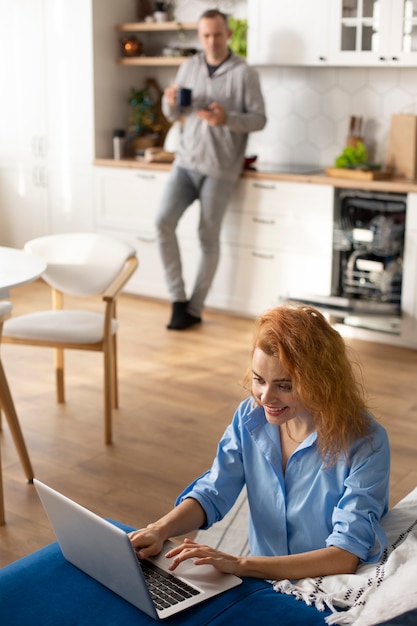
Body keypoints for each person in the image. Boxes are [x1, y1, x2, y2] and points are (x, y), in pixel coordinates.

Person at [129, 304, 390, 582]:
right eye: (258, 380)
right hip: (260, 577)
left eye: (284, 385)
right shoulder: (250, 416)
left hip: (324, 585)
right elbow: (215, 490)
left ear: (321, 381)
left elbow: (344, 555)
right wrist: (160, 529)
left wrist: (240, 564)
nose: (265, 397)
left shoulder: (367, 442)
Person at [156, 9, 266, 331]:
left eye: (217, 34)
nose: (212, 41)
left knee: (207, 236)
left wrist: (227, 118)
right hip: (185, 163)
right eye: (205, 35)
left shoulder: (244, 73)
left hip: (220, 169)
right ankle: (177, 298)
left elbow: (259, 120)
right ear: (199, 36)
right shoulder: (188, 67)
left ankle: (194, 308)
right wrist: (169, 100)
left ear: (228, 34)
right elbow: (174, 114)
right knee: (162, 222)